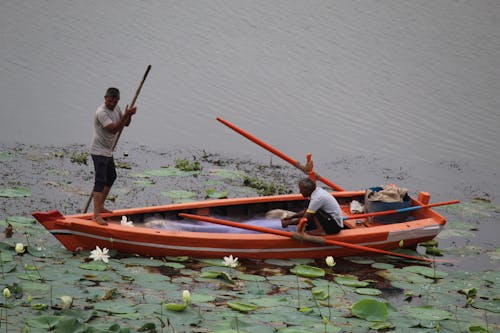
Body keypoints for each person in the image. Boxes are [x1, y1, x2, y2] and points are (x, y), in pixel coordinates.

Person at [90, 87, 137, 225]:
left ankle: (101, 206)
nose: (111, 104)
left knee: (111, 177)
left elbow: (125, 124)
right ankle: (96, 215)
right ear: (105, 98)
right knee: (100, 181)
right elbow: (114, 129)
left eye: (114, 101)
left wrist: (129, 115)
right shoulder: (101, 112)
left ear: (117, 101)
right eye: (109, 101)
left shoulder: (116, 109)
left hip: (108, 150)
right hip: (98, 150)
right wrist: (125, 115)